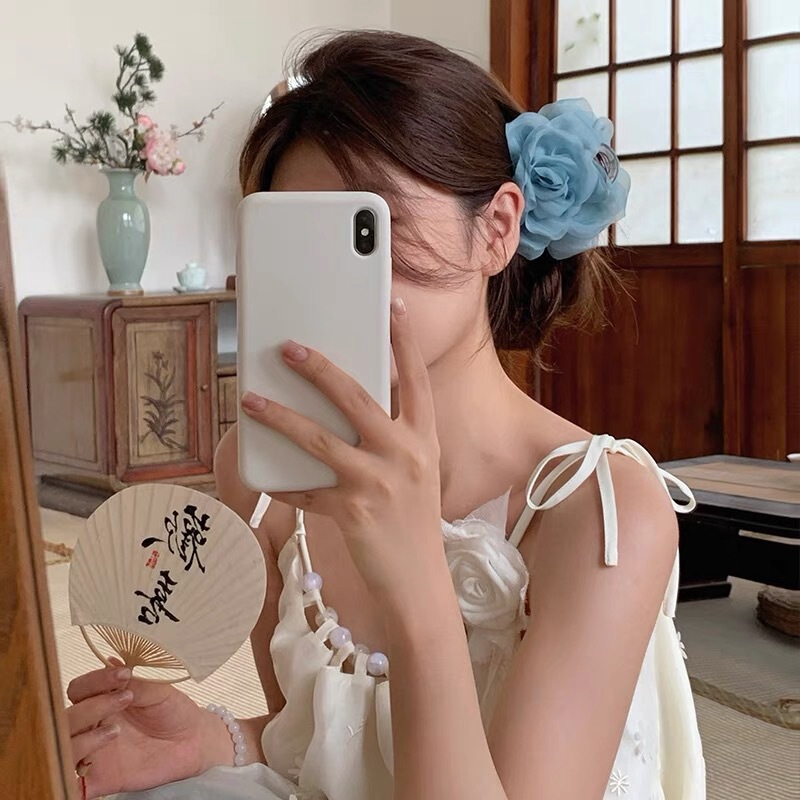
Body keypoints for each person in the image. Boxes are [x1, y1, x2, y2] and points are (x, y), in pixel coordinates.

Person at [66, 30, 705, 800]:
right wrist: (213, 736)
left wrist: (417, 583)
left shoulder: (598, 511)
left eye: (368, 231)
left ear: (497, 229)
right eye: (300, 241)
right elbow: (314, 745)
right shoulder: (265, 482)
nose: (335, 284)